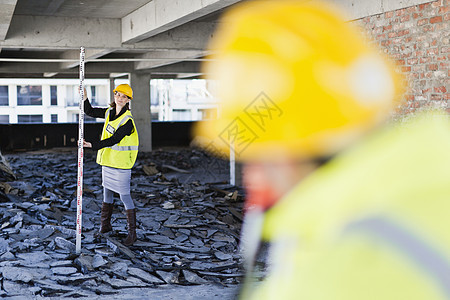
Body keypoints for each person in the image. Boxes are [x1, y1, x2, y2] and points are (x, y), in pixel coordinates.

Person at [194, 1, 450, 299]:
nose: (253, 172)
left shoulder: (337, 269)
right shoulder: (432, 174)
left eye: (254, 152)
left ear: (281, 152)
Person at [82, 83, 139, 246]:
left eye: (123, 96)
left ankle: (132, 233)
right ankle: (105, 227)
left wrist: (92, 145)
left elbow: (114, 140)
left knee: (124, 196)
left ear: (128, 100)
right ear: (114, 96)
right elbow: (90, 111)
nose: (120, 98)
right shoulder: (109, 112)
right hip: (108, 162)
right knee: (107, 195)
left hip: (121, 165)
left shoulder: (127, 121)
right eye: (118, 95)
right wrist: (85, 97)